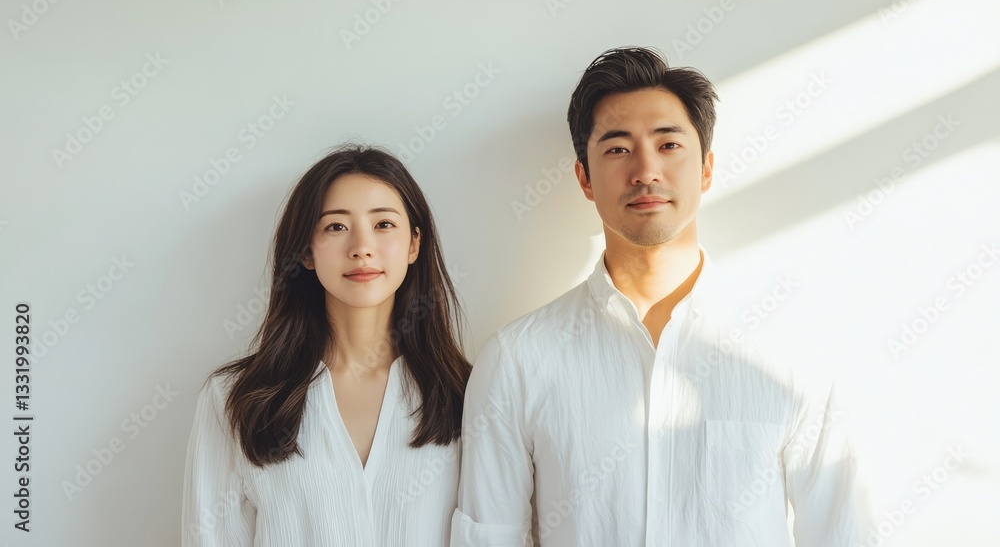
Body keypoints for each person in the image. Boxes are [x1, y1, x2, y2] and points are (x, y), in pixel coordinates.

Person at [452, 47, 867, 546]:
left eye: (668, 145)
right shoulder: (517, 360)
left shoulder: (792, 348)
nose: (646, 171)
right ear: (584, 177)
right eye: (618, 148)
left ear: (706, 169)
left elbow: (844, 534)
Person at [183, 144, 471, 546]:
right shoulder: (234, 399)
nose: (361, 247)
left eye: (384, 224)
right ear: (306, 251)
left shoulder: (468, 395)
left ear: (413, 244)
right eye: (336, 226)